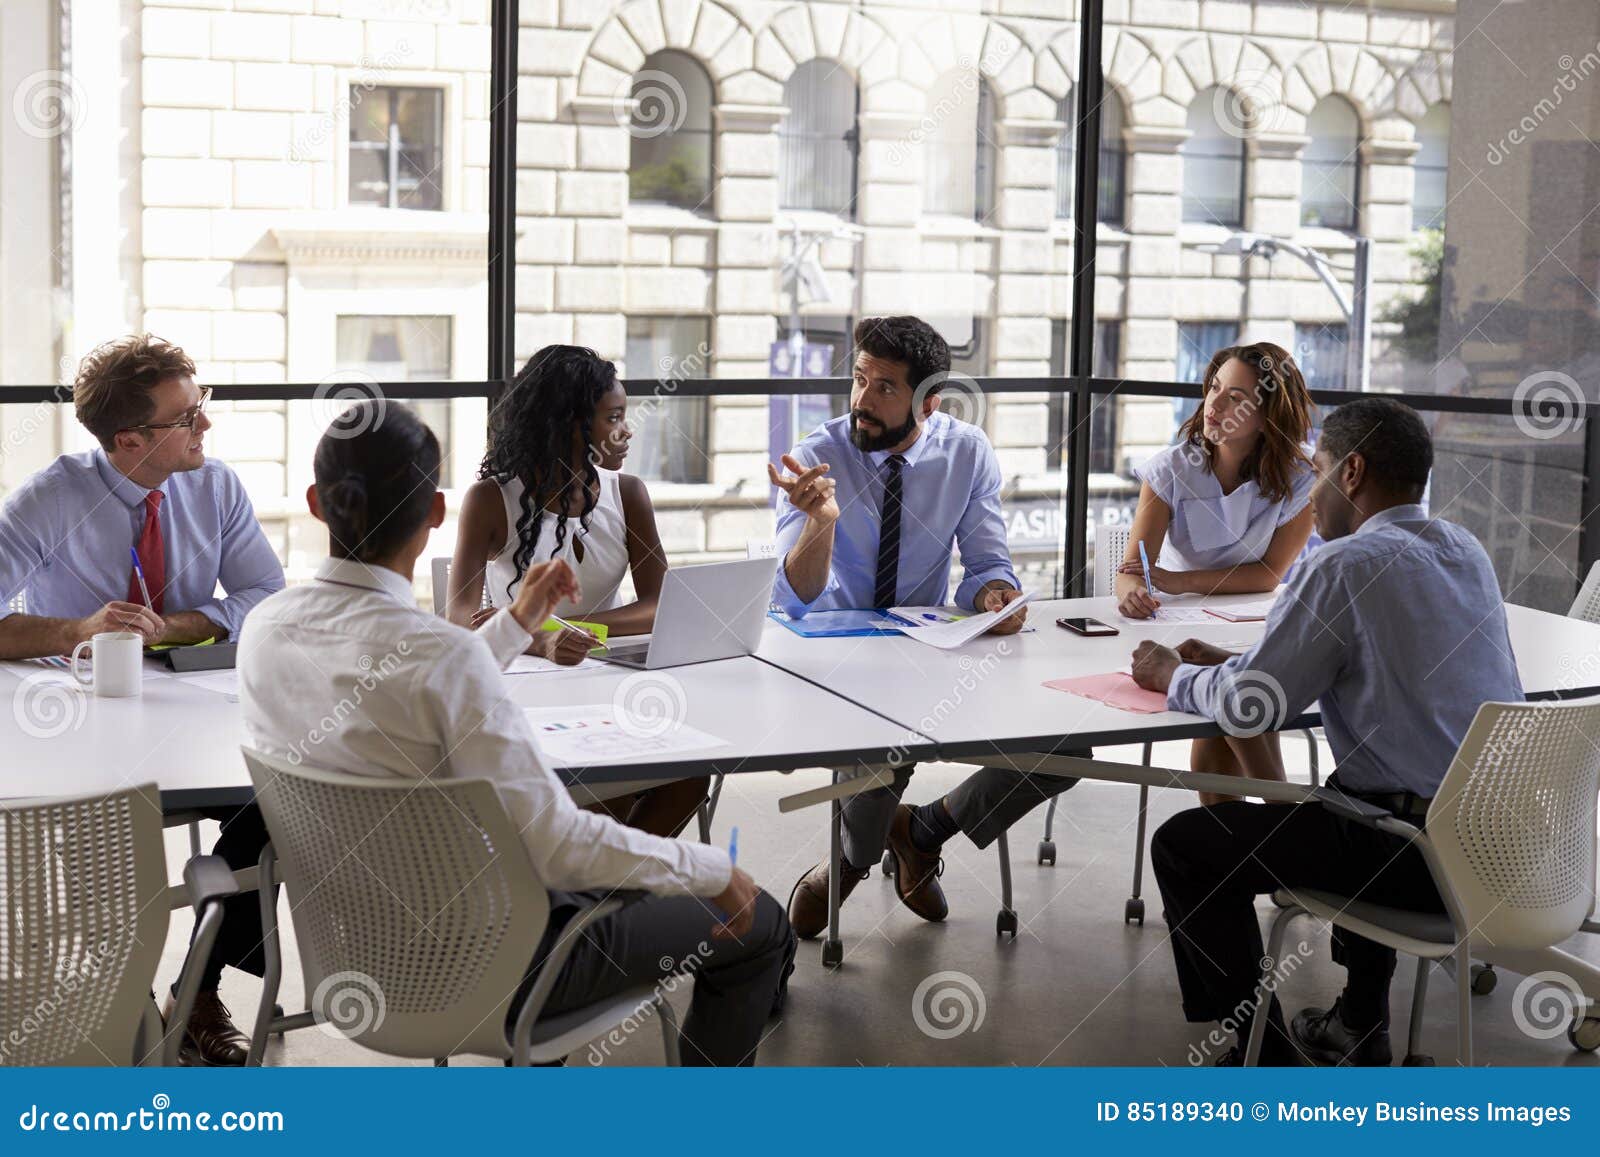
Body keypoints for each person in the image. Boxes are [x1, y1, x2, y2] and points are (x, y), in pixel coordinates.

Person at [239, 402, 793, 1065]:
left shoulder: (268, 627)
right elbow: (559, 848)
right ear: (436, 512)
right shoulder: (441, 655)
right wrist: (714, 869)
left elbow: (429, 679)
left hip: (354, 962)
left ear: (315, 503)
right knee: (762, 923)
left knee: (615, 879)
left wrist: (518, 621)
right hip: (495, 967)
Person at [1131, 397, 1523, 1066]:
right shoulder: (1464, 550)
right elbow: (1392, 660)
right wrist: (1250, 660)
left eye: (1317, 470)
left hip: (1417, 859)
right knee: (1354, 790)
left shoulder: (1342, 564)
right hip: (1501, 844)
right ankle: (1359, 1023)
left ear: (1353, 472)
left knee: (1185, 847)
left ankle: (1266, 1057)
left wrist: (1170, 675)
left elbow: (1254, 707)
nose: (1309, 493)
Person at [0, 334, 286, 1066]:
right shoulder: (51, 496)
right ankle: (111, 1003)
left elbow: (267, 596)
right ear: (130, 439)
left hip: (192, 716)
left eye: (202, 406)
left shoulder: (214, 485)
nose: (205, 426)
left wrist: (177, 625)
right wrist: (76, 627)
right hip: (80, 726)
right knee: (101, 843)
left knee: (279, 800)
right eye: (187, 416)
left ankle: (196, 990)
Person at [770, 314, 1077, 938]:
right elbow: (794, 597)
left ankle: (923, 828)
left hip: (926, 647)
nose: (863, 400)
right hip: (835, 655)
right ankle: (852, 864)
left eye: (885, 388)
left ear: (928, 401)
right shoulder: (814, 458)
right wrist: (820, 521)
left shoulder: (967, 453)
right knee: (885, 740)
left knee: (1066, 748)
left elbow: (989, 566)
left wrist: (996, 595)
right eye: (859, 380)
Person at [447, 344, 708, 838]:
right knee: (608, 786)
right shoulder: (490, 500)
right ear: (568, 423)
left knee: (691, 777)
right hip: (521, 688)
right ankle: (601, 898)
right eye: (613, 417)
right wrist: (540, 639)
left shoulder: (627, 494)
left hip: (607, 683)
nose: (627, 430)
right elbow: (459, 618)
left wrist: (569, 630)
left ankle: (604, 900)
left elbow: (661, 605)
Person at [1115, 342, 1316, 803]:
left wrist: (1175, 582)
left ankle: (1251, 835)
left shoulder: (1302, 478)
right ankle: (1265, 830)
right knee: (1231, 712)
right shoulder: (1171, 469)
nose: (1214, 405)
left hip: (1255, 623)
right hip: (1186, 626)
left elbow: (1267, 575)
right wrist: (1132, 590)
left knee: (1231, 708)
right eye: (1214, 389)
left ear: (1268, 417)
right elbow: (1132, 570)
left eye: (1236, 398)